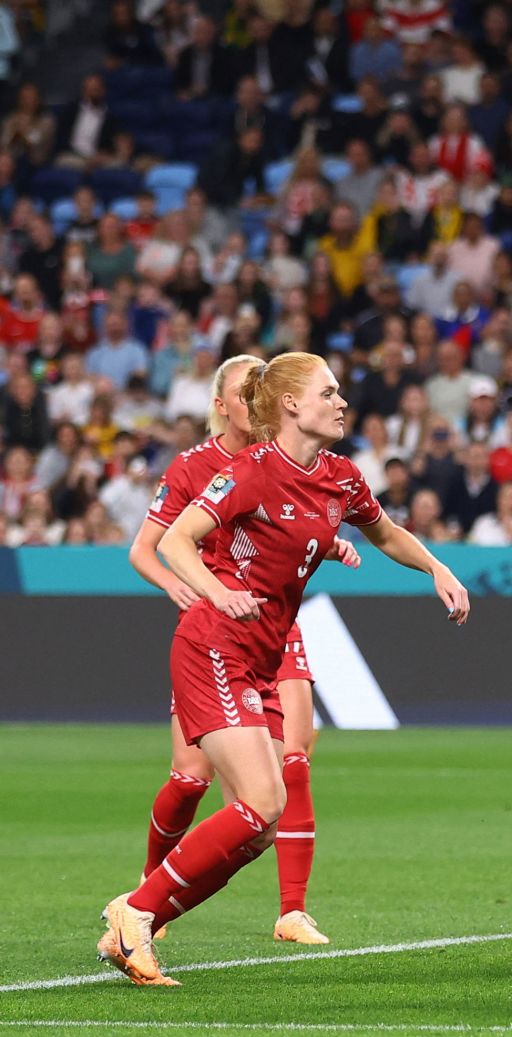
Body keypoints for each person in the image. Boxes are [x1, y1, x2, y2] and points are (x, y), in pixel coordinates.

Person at [98, 352, 471, 986]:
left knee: (261, 827)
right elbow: (171, 541)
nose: (342, 403)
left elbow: (386, 533)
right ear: (292, 404)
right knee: (258, 801)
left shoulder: (341, 475)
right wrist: (217, 593)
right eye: (329, 392)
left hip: (260, 656)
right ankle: (137, 911)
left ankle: (138, 919)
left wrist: (437, 568)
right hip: (214, 644)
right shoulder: (249, 471)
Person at [128, 354, 353, 947]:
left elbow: (296, 527)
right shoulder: (206, 466)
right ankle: (146, 896)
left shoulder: (307, 461)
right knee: (193, 779)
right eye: (242, 390)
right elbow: (155, 548)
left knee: (292, 763)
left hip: (276, 627)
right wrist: (195, 588)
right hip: (220, 628)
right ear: (222, 405)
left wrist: (331, 548)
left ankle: (291, 909)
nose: (254, 397)